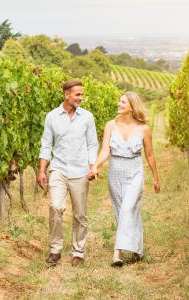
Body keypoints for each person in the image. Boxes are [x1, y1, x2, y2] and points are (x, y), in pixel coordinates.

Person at [90, 91, 160, 267]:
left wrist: (156, 179)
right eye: (119, 101)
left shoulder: (144, 129)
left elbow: (150, 156)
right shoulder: (110, 125)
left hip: (134, 171)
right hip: (115, 171)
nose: (118, 104)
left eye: (123, 102)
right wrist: (95, 166)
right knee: (122, 210)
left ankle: (117, 254)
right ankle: (137, 249)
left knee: (127, 209)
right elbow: (105, 150)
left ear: (132, 106)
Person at [38, 79, 99, 266]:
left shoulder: (87, 117)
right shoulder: (52, 117)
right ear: (66, 94)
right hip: (58, 169)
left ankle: (78, 252)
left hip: (80, 171)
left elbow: (92, 144)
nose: (81, 98)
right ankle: (55, 250)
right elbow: (46, 145)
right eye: (77, 94)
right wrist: (42, 170)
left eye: (82, 94)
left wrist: (92, 166)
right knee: (56, 207)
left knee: (80, 214)